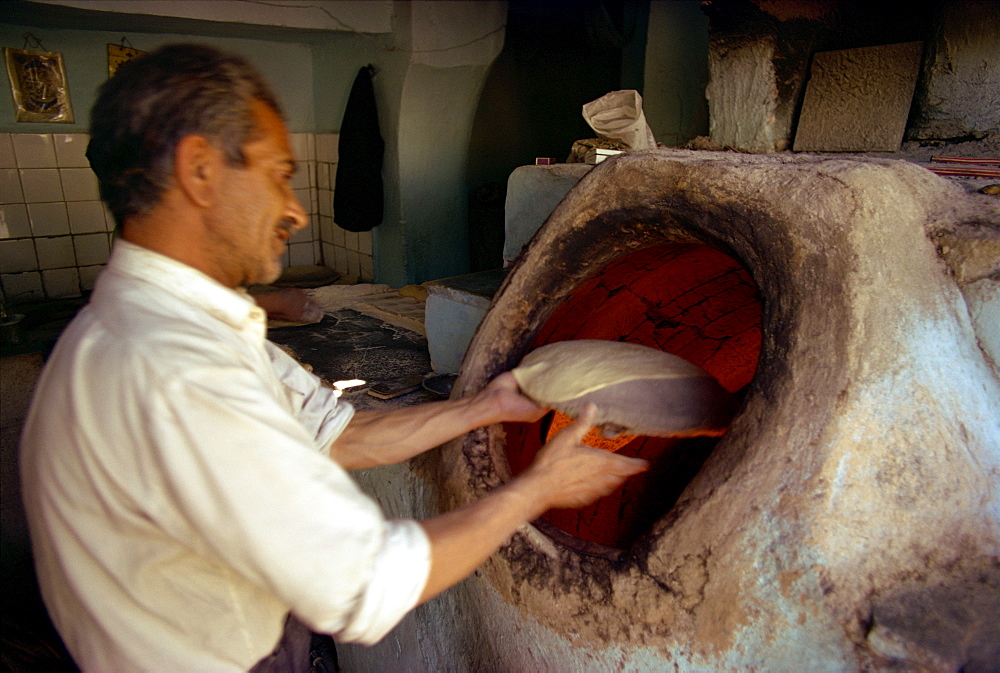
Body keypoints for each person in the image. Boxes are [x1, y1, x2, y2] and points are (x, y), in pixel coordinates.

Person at [19, 43, 648, 672]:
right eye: (277, 174)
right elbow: (366, 584)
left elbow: (337, 431)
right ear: (200, 170)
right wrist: (536, 491)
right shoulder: (175, 369)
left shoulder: (171, 325)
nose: (293, 209)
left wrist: (483, 408)